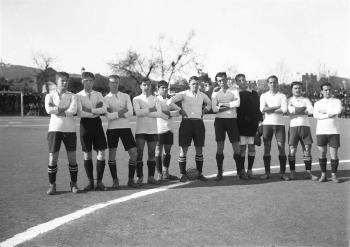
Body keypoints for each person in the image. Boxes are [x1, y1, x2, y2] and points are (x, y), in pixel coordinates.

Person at [167, 76, 211, 182]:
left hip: (199, 124)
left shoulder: (202, 95)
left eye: (196, 84)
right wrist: (180, 110)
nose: (195, 86)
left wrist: (205, 110)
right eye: (193, 84)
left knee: (199, 149)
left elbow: (209, 103)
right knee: (184, 150)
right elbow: (169, 102)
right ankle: (183, 174)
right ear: (189, 84)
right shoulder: (184, 94)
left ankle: (200, 173)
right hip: (186, 123)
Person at [44, 71, 80, 195]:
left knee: (72, 158)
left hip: (70, 130)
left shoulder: (73, 96)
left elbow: (73, 110)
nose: (64, 83)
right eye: (62, 80)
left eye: (66, 81)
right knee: (53, 158)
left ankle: (73, 184)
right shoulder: (49, 95)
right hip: (54, 130)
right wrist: (65, 109)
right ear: (57, 82)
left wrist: (58, 109)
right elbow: (49, 110)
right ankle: (52, 185)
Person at [104, 75, 138, 188]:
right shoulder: (105, 99)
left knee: (134, 153)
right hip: (112, 129)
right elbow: (108, 116)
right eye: (112, 82)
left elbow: (130, 114)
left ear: (119, 83)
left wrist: (115, 113)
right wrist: (121, 112)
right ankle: (115, 181)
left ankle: (130, 180)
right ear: (109, 84)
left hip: (125, 128)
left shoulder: (126, 96)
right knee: (112, 155)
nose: (115, 84)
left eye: (117, 82)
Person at [133, 78, 168, 186]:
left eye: (148, 85)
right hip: (140, 130)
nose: (147, 87)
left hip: (153, 131)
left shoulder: (155, 99)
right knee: (139, 154)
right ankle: (139, 177)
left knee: (152, 154)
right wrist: (150, 110)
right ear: (141, 86)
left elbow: (158, 113)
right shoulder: (136, 99)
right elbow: (137, 113)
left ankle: (151, 177)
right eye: (144, 85)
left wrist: (146, 112)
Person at [77, 72, 108, 191]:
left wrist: (89, 110)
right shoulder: (78, 96)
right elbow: (80, 113)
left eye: (90, 80)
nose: (88, 83)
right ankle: (91, 183)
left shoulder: (99, 94)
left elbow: (104, 109)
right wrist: (96, 110)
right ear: (82, 81)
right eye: (86, 80)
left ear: (93, 82)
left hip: (97, 124)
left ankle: (99, 182)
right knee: (87, 153)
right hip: (85, 125)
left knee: (101, 153)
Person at [211, 72, 241, 181]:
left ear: (226, 79)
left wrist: (223, 105)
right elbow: (214, 109)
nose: (222, 82)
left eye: (223, 80)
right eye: (219, 80)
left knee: (236, 147)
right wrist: (230, 105)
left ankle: (239, 172)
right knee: (220, 147)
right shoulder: (215, 93)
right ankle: (220, 173)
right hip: (219, 121)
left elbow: (237, 104)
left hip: (232, 121)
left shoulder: (234, 90)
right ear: (217, 81)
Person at [260, 75, 289, 180]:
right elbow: (262, 109)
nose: (273, 84)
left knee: (281, 148)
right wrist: (276, 107)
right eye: (271, 82)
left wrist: (269, 109)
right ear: (268, 84)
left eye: (274, 82)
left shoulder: (282, 96)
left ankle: (282, 173)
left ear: (278, 83)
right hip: (267, 124)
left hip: (279, 125)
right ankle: (267, 173)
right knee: (267, 148)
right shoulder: (263, 96)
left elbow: (284, 110)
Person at [287, 81, 318, 180]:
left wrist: (296, 110)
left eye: (299, 88)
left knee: (307, 149)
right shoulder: (289, 100)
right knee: (292, 150)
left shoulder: (306, 99)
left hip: (305, 126)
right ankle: (292, 172)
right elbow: (289, 111)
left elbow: (311, 111)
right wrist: (303, 109)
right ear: (292, 90)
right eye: (295, 88)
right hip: (293, 127)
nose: (298, 90)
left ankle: (308, 172)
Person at [313, 82, 343, 182]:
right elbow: (316, 115)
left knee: (334, 154)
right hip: (321, 132)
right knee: (322, 153)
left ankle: (334, 175)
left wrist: (324, 112)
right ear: (321, 91)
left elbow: (338, 111)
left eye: (329, 89)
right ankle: (323, 175)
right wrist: (328, 114)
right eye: (325, 90)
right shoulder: (317, 103)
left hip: (334, 131)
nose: (328, 91)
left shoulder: (337, 101)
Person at [236, 74, 263, 179]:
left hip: (252, 125)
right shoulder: (235, 94)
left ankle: (250, 170)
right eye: (239, 80)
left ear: (246, 80)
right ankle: (242, 170)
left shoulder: (254, 94)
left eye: (243, 79)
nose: (242, 81)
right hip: (240, 125)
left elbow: (258, 109)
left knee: (252, 147)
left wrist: (260, 123)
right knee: (242, 148)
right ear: (237, 82)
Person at [154, 80, 181, 180]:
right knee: (158, 151)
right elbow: (159, 112)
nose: (165, 89)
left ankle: (166, 173)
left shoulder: (169, 100)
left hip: (170, 129)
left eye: (166, 87)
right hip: (159, 129)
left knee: (167, 151)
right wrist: (170, 113)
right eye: (162, 88)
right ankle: (159, 175)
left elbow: (178, 111)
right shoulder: (156, 100)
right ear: (158, 89)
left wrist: (169, 113)